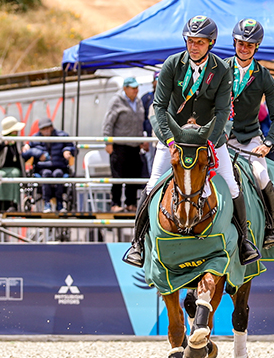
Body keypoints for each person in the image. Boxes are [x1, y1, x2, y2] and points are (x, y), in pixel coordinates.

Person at [124, 15, 259, 267]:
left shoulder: (221, 70)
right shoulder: (172, 65)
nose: (194, 46)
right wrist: (169, 139)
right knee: (153, 183)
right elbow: (159, 106)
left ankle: (244, 241)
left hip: (209, 139)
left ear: (211, 43)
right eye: (190, 41)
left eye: (200, 42)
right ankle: (137, 243)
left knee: (231, 185)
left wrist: (209, 139)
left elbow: (222, 111)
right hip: (174, 139)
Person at [225, 18, 274, 249]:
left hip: (250, 139)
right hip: (221, 139)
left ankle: (272, 227)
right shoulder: (218, 68)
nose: (243, 48)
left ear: (256, 47)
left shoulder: (263, 76)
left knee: (260, 175)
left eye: (249, 45)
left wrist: (268, 143)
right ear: (234, 43)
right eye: (240, 43)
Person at [103, 77, 146, 212]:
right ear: (125, 88)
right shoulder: (116, 101)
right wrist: (108, 141)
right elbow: (108, 122)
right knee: (118, 174)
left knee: (133, 175)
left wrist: (141, 140)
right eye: (133, 88)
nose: (136, 90)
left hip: (134, 145)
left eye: (136, 88)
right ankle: (115, 203)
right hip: (120, 144)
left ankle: (131, 203)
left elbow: (140, 122)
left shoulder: (138, 101)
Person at [23, 118, 75, 212]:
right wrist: (38, 153)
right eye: (43, 129)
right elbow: (25, 154)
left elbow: (72, 147)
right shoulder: (35, 139)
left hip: (59, 166)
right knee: (46, 174)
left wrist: (67, 151)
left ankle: (60, 203)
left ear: (52, 127)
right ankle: (46, 203)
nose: (46, 131)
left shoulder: (62, 136)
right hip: (42, 168)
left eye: (48, 128)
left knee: (58, 174)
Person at [0, 116, 25, 212]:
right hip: (1, 168)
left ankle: (12, 203)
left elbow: (22, 154)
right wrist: (3, 144)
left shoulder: (18, 142)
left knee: (14, 173)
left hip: (15, 168)